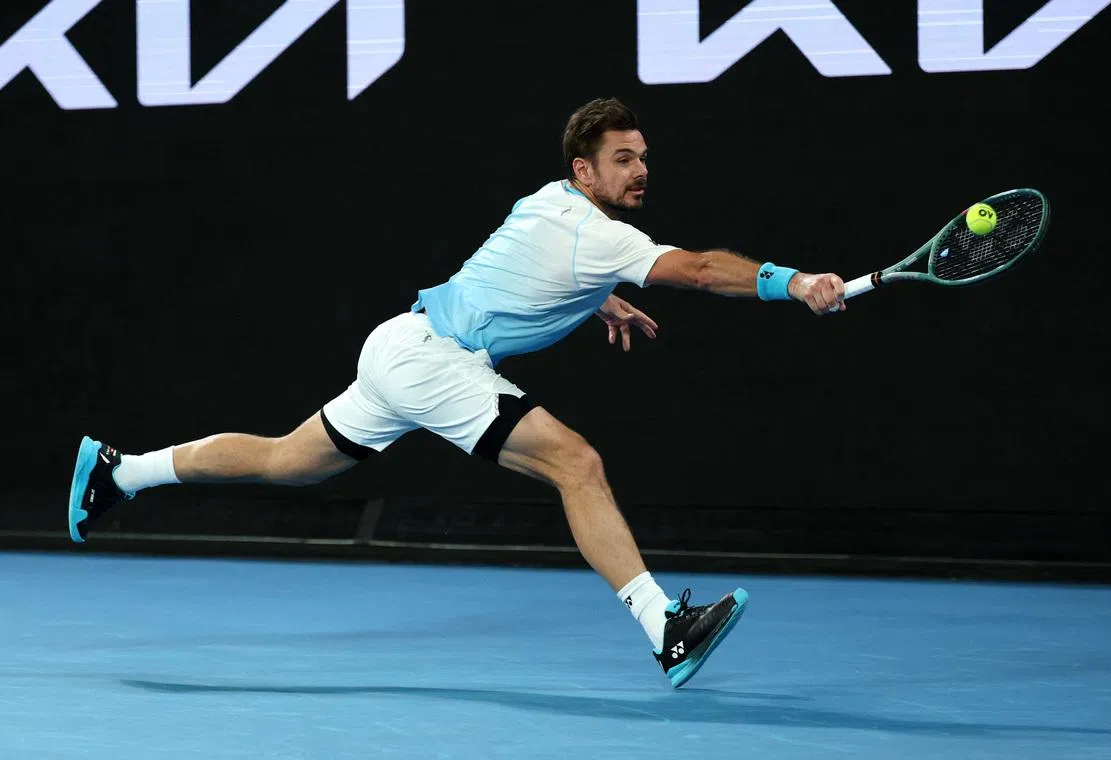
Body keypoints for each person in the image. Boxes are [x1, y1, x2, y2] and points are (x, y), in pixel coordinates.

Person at [68, 97, 847, 688]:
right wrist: (798, 281)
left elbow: (529, 266)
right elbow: (704, 270)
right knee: (576, 463)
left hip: (400, 347)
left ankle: (120, 471)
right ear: (586, 171)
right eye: (622, 159)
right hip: (432, 360)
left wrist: (598, 295)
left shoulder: (549, 202)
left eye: (643, 156)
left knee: (286, 463)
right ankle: (664, 626)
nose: (641, 169)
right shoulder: (598, 234)